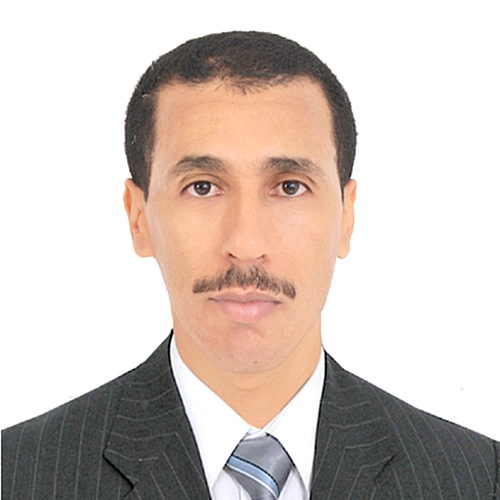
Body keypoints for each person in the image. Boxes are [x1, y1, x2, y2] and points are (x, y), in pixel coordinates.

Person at [2, 31, 498, 500]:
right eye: (202, 187)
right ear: (139, 219)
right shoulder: (18, 475)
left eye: (289, 187)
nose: (245, 244)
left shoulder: (477, 478)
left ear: (346, 217)